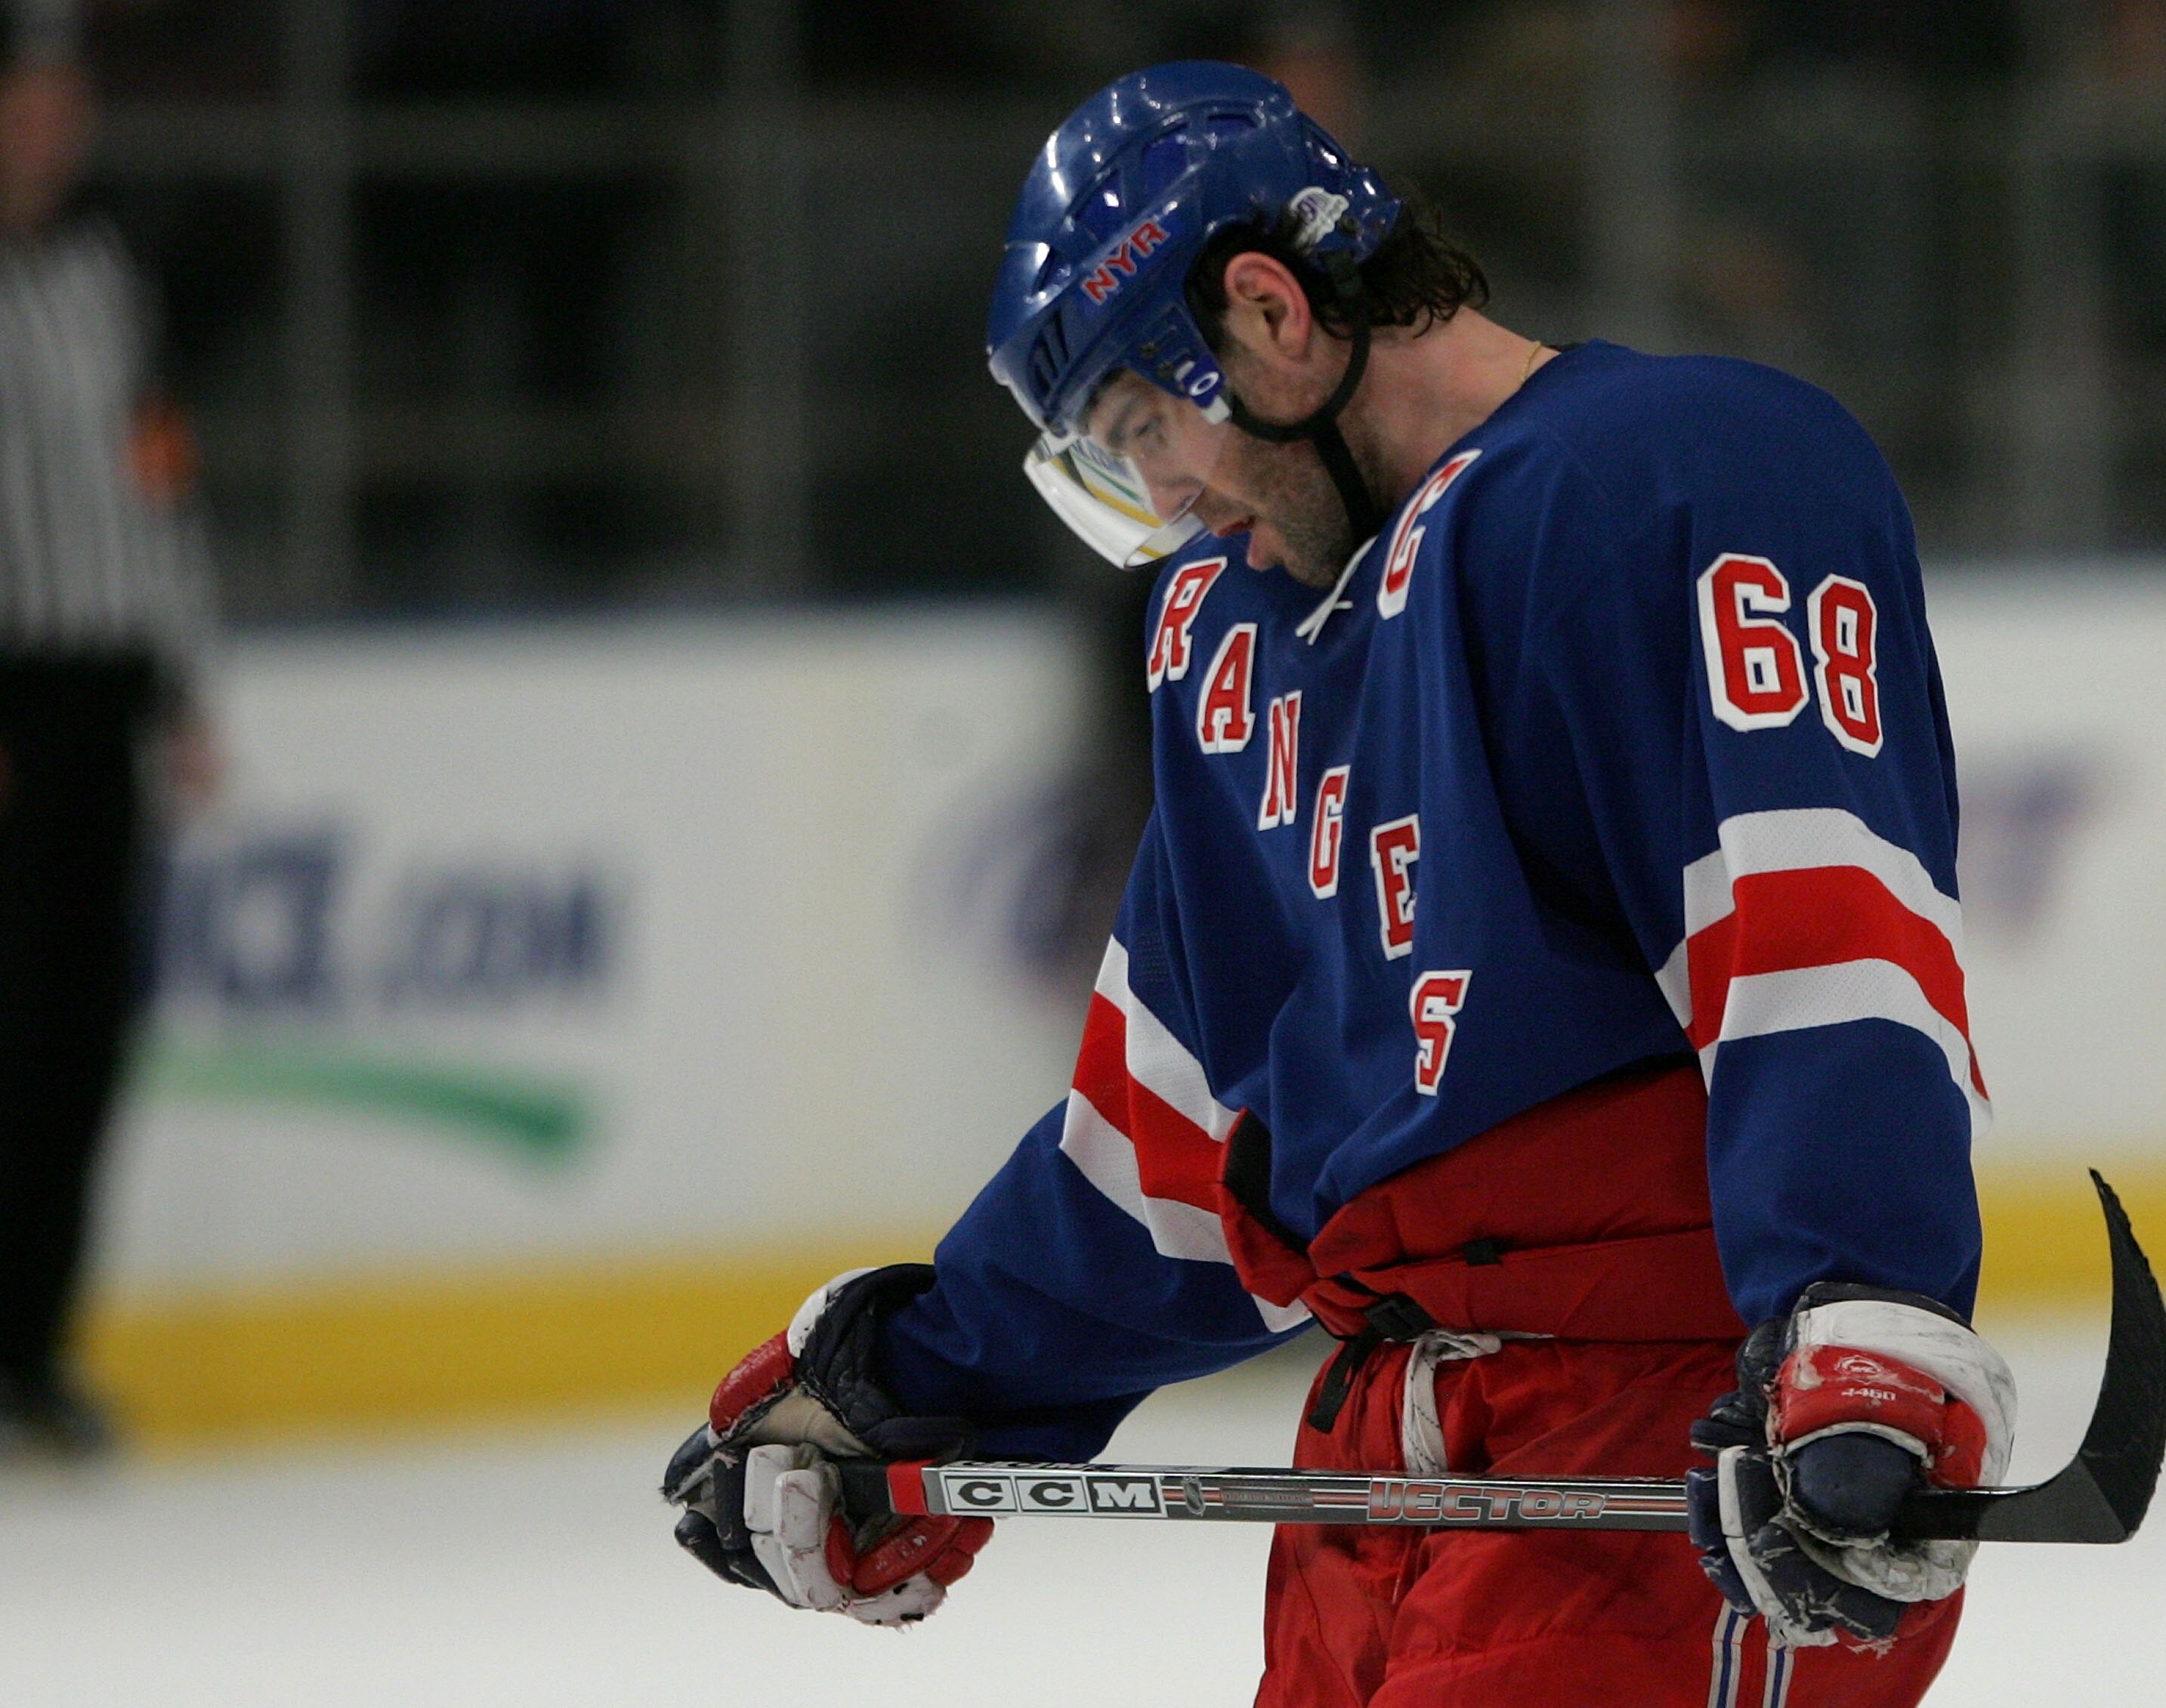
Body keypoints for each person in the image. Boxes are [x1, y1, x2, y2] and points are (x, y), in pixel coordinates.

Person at [664, 63, 2010, 1704]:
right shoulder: (1224, 639)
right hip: (1381, 1489)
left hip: (1663, 1455)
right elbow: (1174, 1144)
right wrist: (918, 1383)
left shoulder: (1678, 477)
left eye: (1144, 427)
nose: (1159, 496)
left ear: (1268, 311)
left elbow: (1821, 945)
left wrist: (1862, 1333)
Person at [0, 3, 221, 1458]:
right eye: (27, 97)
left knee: (76, 1040)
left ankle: (34, 1343)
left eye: (61, 96)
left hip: (99, 704)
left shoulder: (99, 264)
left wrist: (184, 687)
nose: (52, 123)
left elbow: (155, 474)